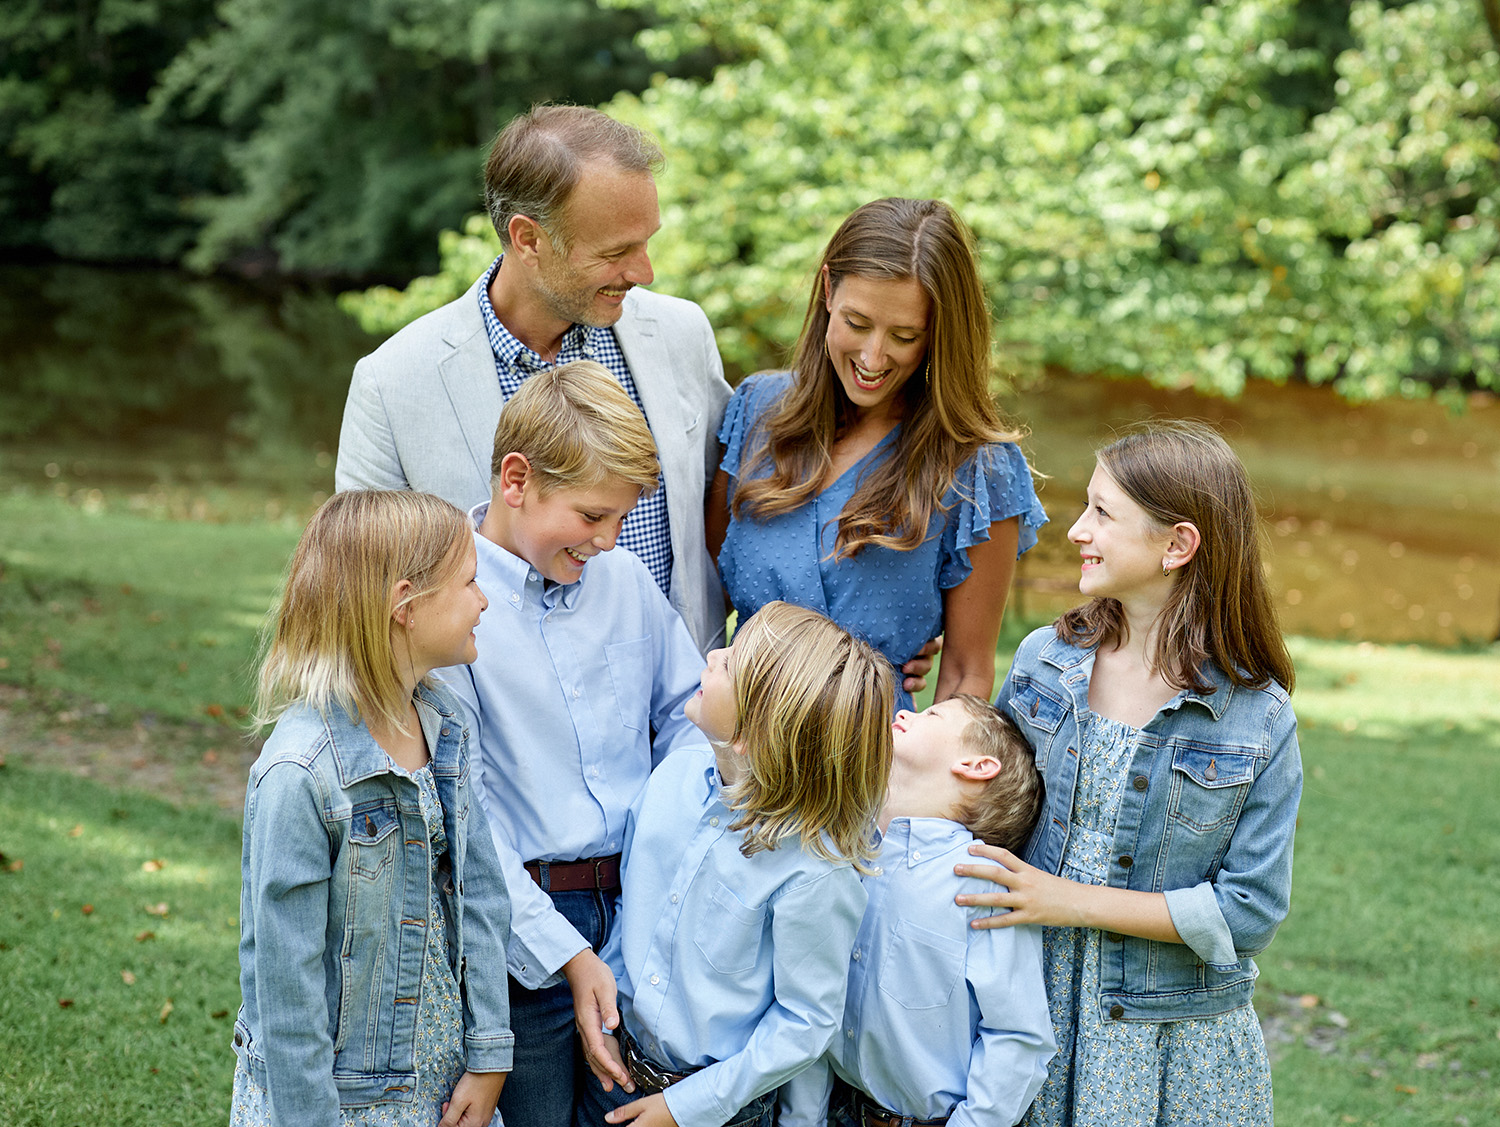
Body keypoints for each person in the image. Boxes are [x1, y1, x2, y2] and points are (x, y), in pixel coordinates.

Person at [956, 421, 1302, 1126]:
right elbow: (977, 799)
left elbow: (1248, 911)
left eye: (1103, 512)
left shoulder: (1257, 717)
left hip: (1173, 1042)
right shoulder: (1043, 662)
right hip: (1029, 1011)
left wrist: (1067, 899)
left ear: (1177, 544)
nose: (1077, 528)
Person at [336, 103, 731, 655]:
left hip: (682, 718)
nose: (644, 273)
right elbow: (360, 595)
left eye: (646, 242)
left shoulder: (682, 333)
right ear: (528, 239)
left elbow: (739, 502)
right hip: (499, 732)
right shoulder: (392, 383)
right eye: (616, 252)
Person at [438, 360, 707, 1127]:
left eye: (621, 518)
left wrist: (662, 842)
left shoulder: (623, 581)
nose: (609, 539)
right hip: (520, 930)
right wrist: (568, 953)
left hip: (641, 901)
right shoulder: (450, 605)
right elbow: (467, 813)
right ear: (515, 480)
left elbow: (688, 715)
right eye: (593, 515)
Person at [229, 490, 513, 1127]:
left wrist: (489, 1054)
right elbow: (286, 988)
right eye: (469, 582)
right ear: (404, 604)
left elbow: (484, 900)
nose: (484, 600)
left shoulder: (445, 726)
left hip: (443, 1083)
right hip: (340, 1105)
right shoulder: (299, 775)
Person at [708, 197, 1048, 712]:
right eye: (858, 322)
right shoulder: (756, 409)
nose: (872, 357)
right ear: (827, 291)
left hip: (873, 765)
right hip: (731, 744)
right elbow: (703, 600)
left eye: (905, 335)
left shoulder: (979, 468)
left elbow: (964, 674)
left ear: (938, 334)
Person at [577, 601, 894, 1127]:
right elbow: (632, 907)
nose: (713, 654)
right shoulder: (671, 777)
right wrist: (606, 1012)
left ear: (752, 733)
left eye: (730, 665)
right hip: (614, 1072)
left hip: (715, 1109)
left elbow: (805, 1020)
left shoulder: (815, 873)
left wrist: (686, 1108)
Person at [782, 694, 1057, 1127]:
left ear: (977, 766)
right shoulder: (846, 855)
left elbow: (1017, 1038)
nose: (906, 711)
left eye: (933, 714)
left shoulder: (983, 882)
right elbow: (815, 1002)